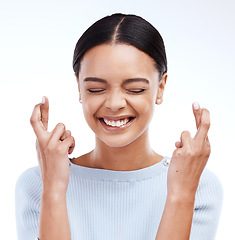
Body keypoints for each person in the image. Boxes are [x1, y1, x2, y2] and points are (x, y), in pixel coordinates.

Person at [15, 13, 223, 240]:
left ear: (161, 87)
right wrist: (53, 191)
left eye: (134, 89)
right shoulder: (38, 184)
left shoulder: (198, 185)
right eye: (95, 88)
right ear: (79, 87)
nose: (114, 104)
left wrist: (181, 195)